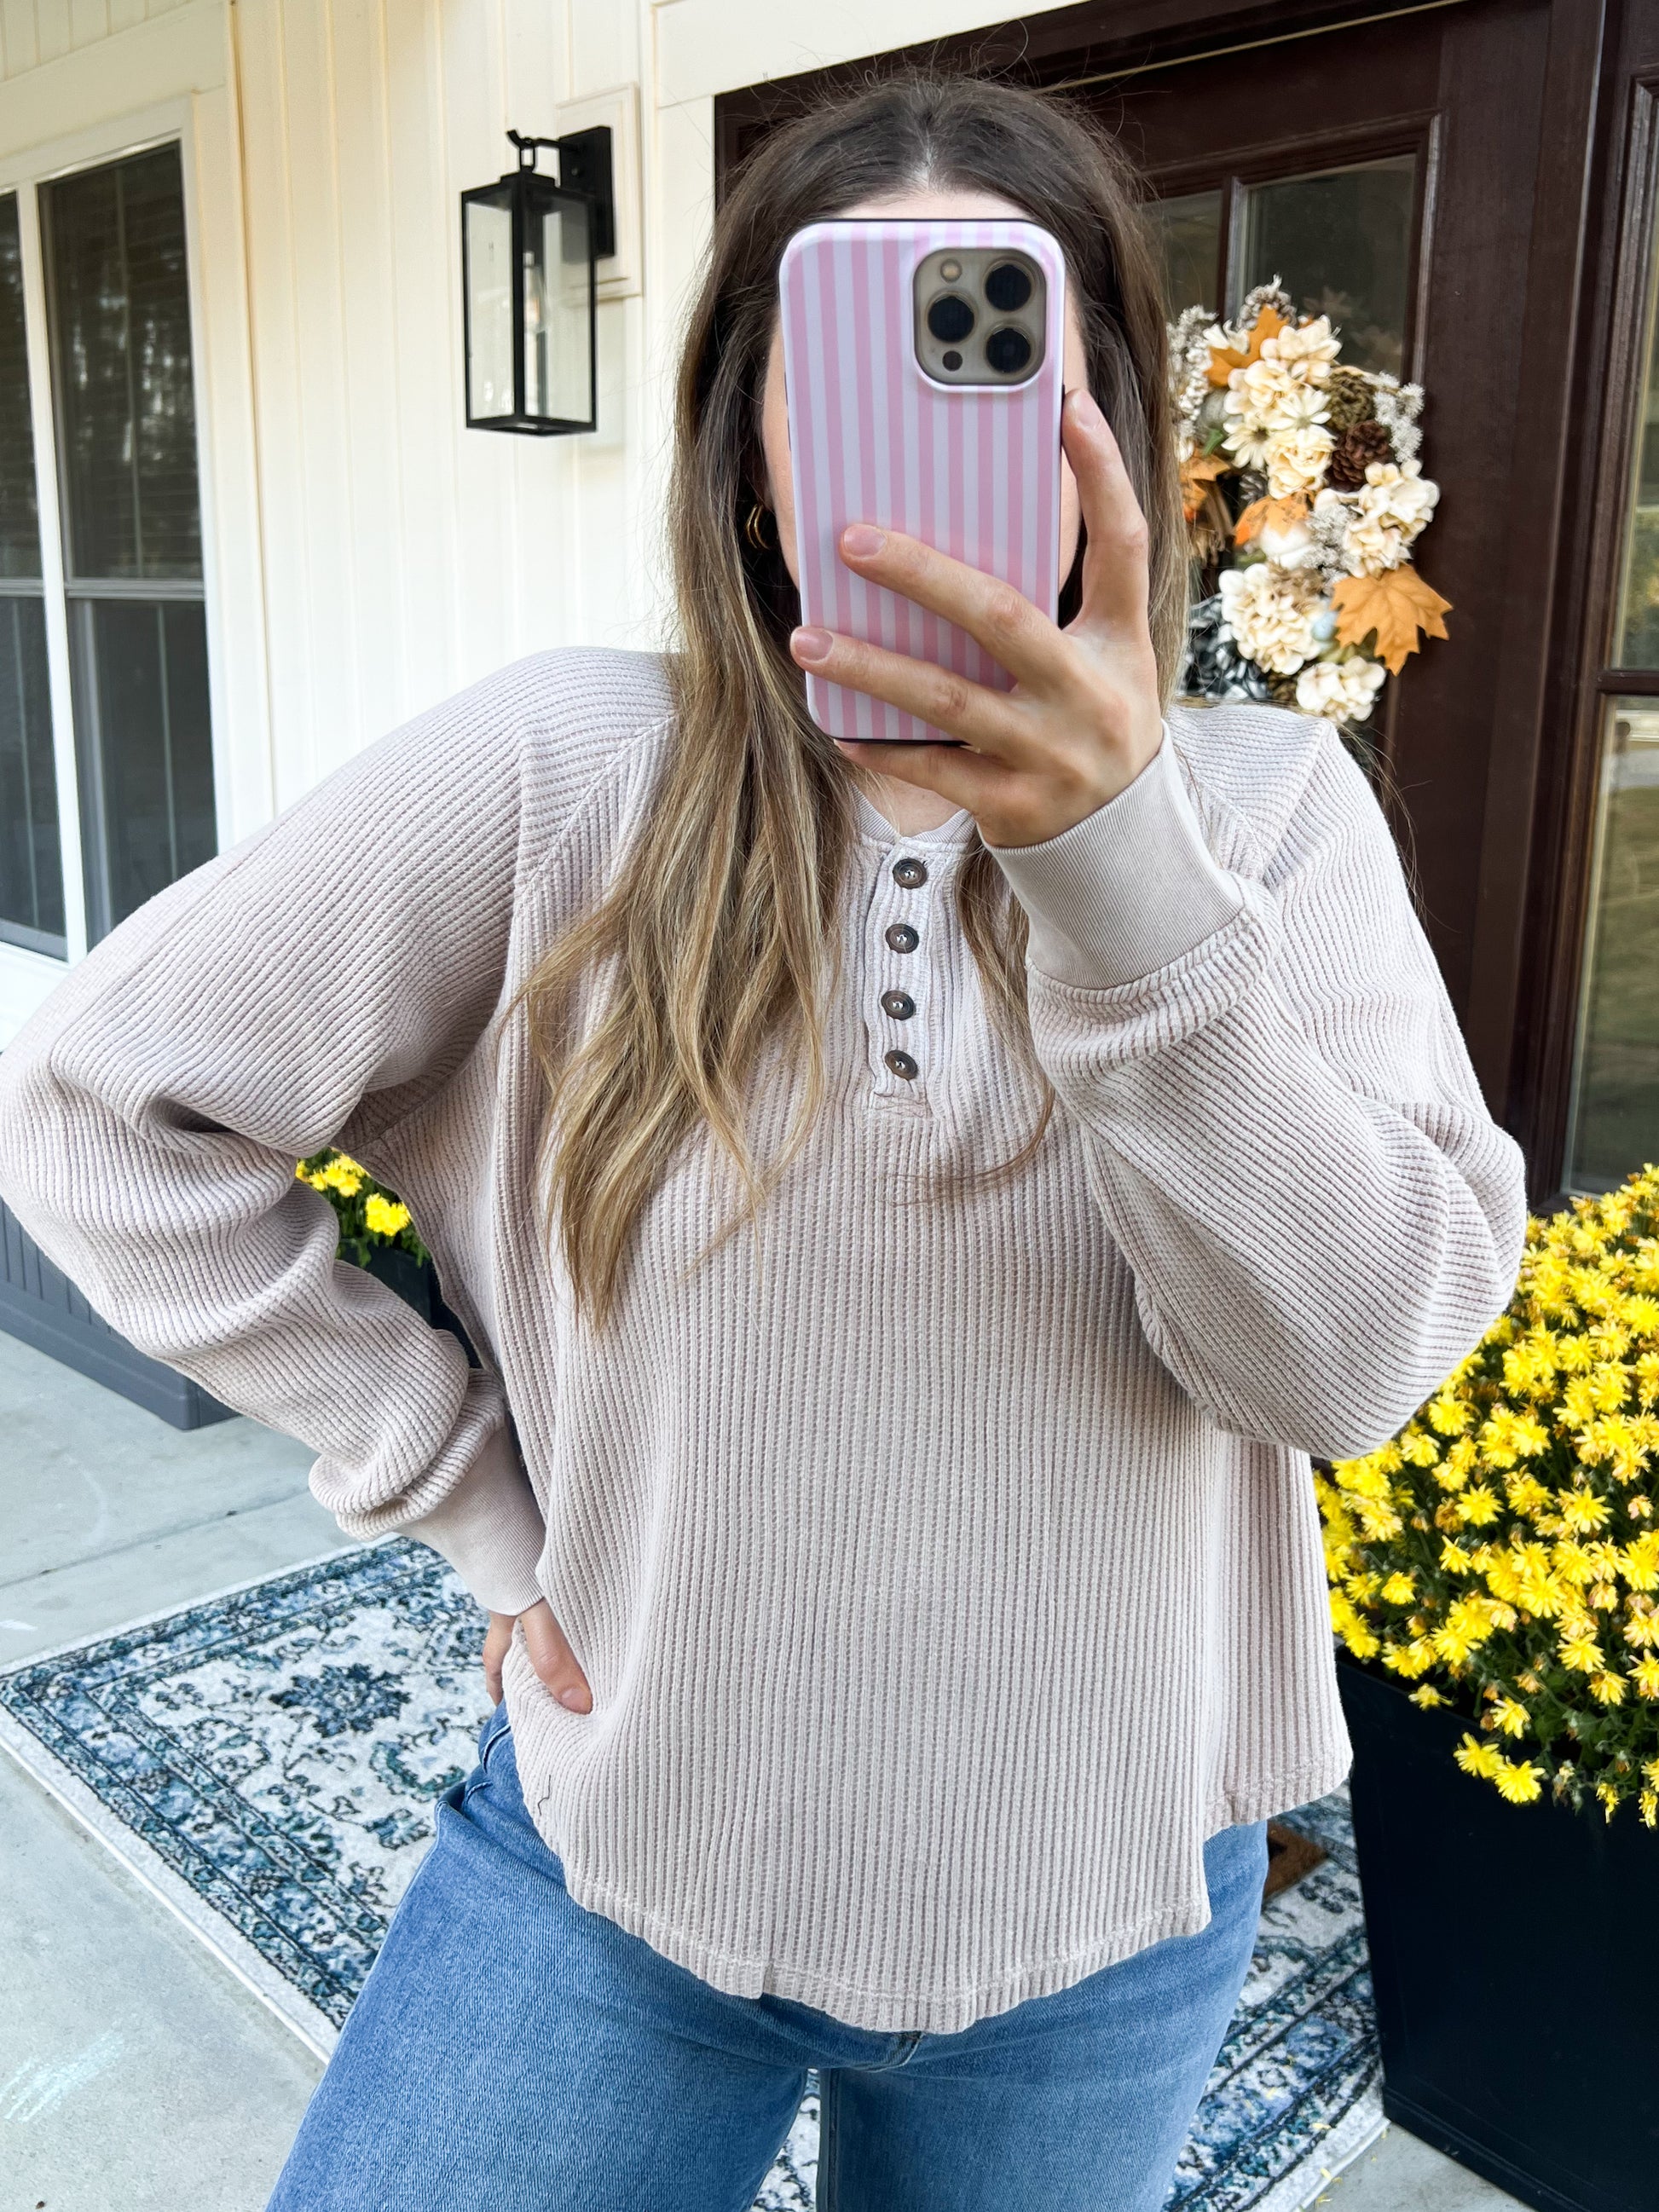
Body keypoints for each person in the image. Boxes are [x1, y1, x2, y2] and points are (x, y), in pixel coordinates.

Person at [0, 69, 1525, 2212]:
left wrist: (1118, 872)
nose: (930, 437)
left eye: (999, 354)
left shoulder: (1271, 816)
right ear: (747, 452)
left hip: (1109, 1901)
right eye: (855, 370)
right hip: (619, 1862)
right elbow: (102, 1105)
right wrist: (459, 1487)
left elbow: (1345, 1369)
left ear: (1101, 428)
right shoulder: (560, 775)